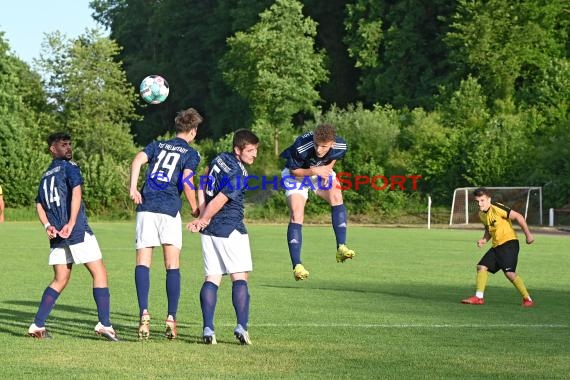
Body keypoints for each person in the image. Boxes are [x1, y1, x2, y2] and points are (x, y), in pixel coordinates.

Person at [28, 132, 118, 341]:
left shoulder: (46, 174)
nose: (68, 148)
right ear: (53, 149)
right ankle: (105, 324)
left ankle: (37, 325)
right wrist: (70, 223)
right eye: (63, 145)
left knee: (60, 279)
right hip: (75, 231)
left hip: (57, 235)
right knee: (100, 273)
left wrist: (48, 225)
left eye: (69, 144)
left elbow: (38, 204)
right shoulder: (71, 167)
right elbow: (77, 194)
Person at [129, 107, 203, 340]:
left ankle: (144, 314)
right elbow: (187, 181)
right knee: (172, 265)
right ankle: (171, 318)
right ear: (192, 131)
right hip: (170, 210)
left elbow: (137, 160)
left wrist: (133, 188)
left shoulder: (157, 145)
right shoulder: (191, 153)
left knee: (143, 262)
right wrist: (194, 208)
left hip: (147, 206)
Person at [187, 129, 259, 345]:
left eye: (256, 150)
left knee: (212, 278)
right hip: (230, 229)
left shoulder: (220, 158)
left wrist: (201, 212)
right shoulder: (241, 175)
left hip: (209, 232)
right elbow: (219, 200)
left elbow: (202, 179)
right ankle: (242, 327)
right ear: (238, 150)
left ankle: (208, 329)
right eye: (250, 150)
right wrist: (204, 218)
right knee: (240, 277)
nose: (254, 154)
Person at [279, 123, 356, 281]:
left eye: (324, 146)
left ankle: (341, 247)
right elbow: (294, 170)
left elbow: (334, 157)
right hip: (296, 176)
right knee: (297, 213)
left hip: (319, 172)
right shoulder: (301, 146)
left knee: (336, 196)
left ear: (332, 144)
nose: (319, 150)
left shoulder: (340, 145)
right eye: (316, 145)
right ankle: (297, 266)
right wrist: (315, 170)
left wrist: (326, 170)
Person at [461, 187, 535, 307]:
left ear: (489, 199)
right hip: (497, 246)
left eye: (482, 200)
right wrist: (484, 240)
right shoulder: (481, 214)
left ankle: (528, 299)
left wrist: (528, 235)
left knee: (509, 273)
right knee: (481, 267)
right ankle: (479, 297)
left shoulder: (497, 208)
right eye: (477, 201)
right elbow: (489, 230)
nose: (480, 204)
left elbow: (518, 217)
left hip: (509, 243)